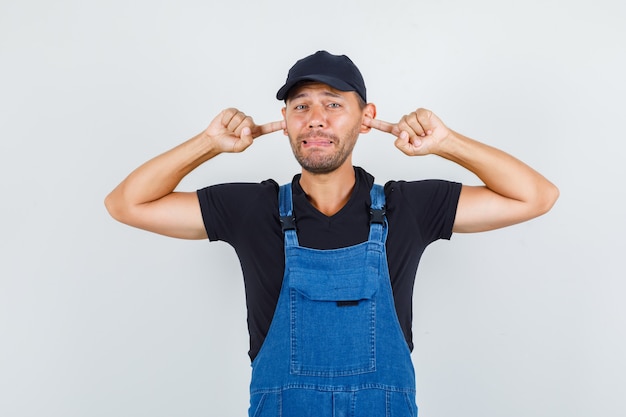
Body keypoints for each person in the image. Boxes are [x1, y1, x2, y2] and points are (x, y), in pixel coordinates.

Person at [105, 50, 559, 416]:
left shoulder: (409, 207)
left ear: (367, 117)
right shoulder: (250, 208)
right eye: (301, 106)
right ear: (284, 121)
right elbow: (126, 204)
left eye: (334, 103)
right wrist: (209, 143)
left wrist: (447, 143)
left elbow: (536, 196)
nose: (316, 118)